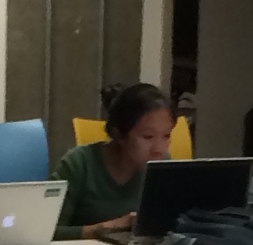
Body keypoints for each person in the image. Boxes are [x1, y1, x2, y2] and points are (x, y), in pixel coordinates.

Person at [55, 80, 176, 233]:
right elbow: (43, 231)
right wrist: (104, 228)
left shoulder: (164, 166)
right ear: (118, 134)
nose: (159, 149)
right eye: (148, 137)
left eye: (166, 136)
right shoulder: (79, 164)